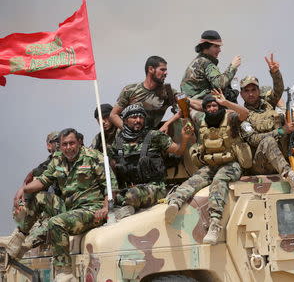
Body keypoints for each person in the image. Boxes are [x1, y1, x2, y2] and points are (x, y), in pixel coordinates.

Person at [0, 128, 118, 281]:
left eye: (72, 143)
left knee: (55, 222)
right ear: (60, 146)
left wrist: (105, 207)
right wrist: (23, 189)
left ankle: (64, 271)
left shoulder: (94, 157)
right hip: (70, 209)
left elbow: (111, 185)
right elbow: (43, 181)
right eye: (65, 144)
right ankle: (17, 239)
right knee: (40, 197)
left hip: (91, 210)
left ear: (79, 142)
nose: (68, 148)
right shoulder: (58, 159)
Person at [165, 89, 249, 245]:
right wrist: (181, 99)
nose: (212, 109)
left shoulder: (230, 118)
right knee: (193, 180)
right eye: (208, 106)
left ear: (219, 106)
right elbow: (187, 109)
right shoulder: (201, 119)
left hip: (231, 164)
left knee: (219, 181)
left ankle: (215, 224)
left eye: (214, 105)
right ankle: (175, 204)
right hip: (211, 165)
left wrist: (226, 103)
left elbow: (244, 113)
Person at [239, 54, 294, 194]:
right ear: (241, 94)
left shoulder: (268, 104)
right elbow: (253, 139)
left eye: (254, 90)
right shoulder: (243, 115)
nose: (251, 94)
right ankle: (292, 178)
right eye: (247, 91)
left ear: (258, 90)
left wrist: (275, 73)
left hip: (286, 154)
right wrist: (281, 131)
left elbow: (278, 90)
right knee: (268, 140)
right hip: (263, 163)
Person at [111, 104, 191, 219]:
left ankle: (129, 205)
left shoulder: (154, 136)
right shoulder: (118, 143)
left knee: (131, 195)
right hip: (129, 187)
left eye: (141, 117)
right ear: (125, 120)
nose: (138, 120)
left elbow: (178, 150)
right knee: (113, 198)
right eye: (134, 117)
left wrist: (184, 138)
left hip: (154, 187)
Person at [110, 56, 179, 133]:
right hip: (128, 139)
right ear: (150, 69)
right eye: (162, 70)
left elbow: (185, 104)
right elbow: (113, 115)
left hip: (150, 136)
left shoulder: (168, 92)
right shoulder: (130, 90)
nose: (166, 73)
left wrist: (167, 124)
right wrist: (129, 132)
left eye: (166, 70)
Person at [180, 30, 241, 101]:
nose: (219, 50)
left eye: (219, 46)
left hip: (193, 103)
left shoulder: (198, 61)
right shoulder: (206, 63)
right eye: (216, 46)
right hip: (199, 105)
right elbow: (220, 84)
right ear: (206, 47)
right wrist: (232, 67)